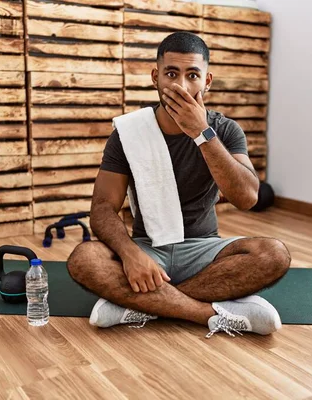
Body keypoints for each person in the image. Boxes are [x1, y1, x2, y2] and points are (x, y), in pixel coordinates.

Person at [66, 31, 291, 338]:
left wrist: (202, 133)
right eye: (171, 74)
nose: (181, 86)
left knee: (273, 254)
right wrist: (132, 256)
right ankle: (206, 314)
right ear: (155, 77)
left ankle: (142, 304)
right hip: (148, 248)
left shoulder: (225, 130)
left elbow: (247, 198)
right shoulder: (129, 132)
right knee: (84, 259)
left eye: (192, 75)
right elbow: (103, 209)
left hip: (204, 248)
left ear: (207, 81)